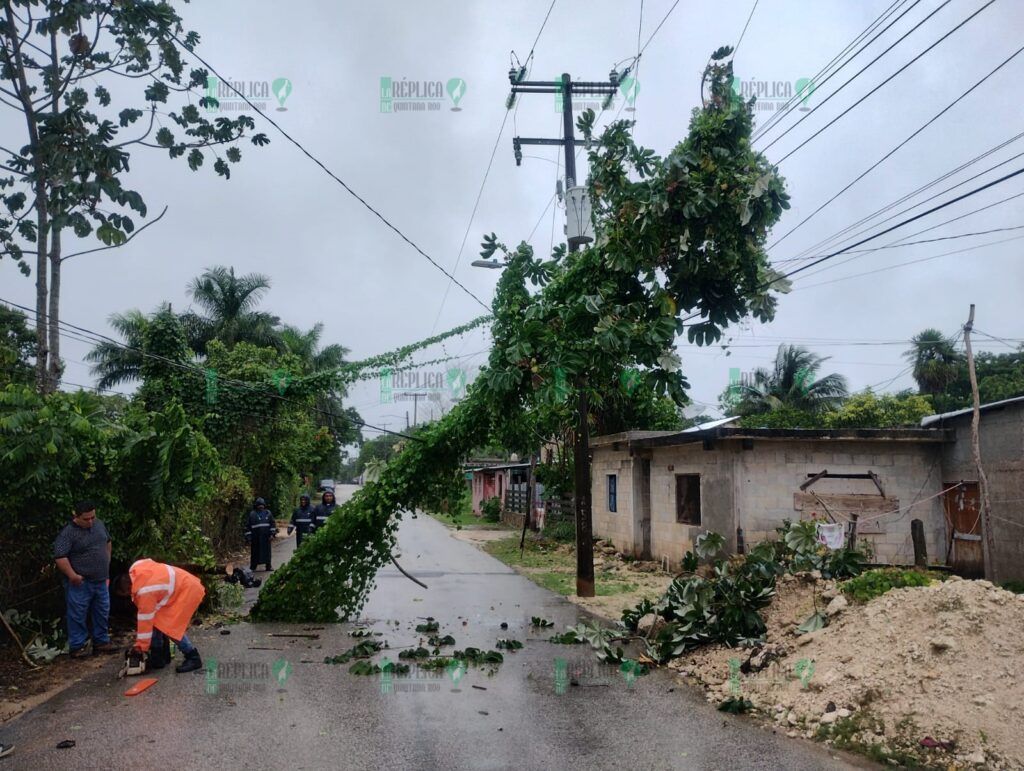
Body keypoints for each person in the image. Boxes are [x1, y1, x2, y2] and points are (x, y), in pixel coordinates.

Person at [112, 559, 205, 674]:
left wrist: (140, 647)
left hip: (186, 591)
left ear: (127, 590)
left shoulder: (145, 592)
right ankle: (158, 657)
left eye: (125, 595)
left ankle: (193, 656)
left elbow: (145, 623)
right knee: (158, 620)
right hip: (181, 585)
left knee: (170, 627)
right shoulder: (136, 568)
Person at [53, 501, 119, 657]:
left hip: (101, 579)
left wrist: (106, 562)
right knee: (77, 614)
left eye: (92, 517)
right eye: (86, 519)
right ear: (76, 516)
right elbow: (60, 556)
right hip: (81, 582)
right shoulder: (68, 533)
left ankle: (101, 642)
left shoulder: (99, 525)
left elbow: (107, 542)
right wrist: (72, 575)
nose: (90, 521)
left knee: (102, 611)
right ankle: (78, 646)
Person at [244, 497, 277, 571]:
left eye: (262, 505)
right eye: (259, 505)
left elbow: (272, 524)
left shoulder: (268, 513)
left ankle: (268, 566)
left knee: (267, 553)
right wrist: (249, 538)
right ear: (256, 505)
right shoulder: (252, 514)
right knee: (255, 553)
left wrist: (272, 534)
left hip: (266, 537)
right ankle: (253, 567)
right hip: (256, 538)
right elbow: (247, 527)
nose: (261, 507)